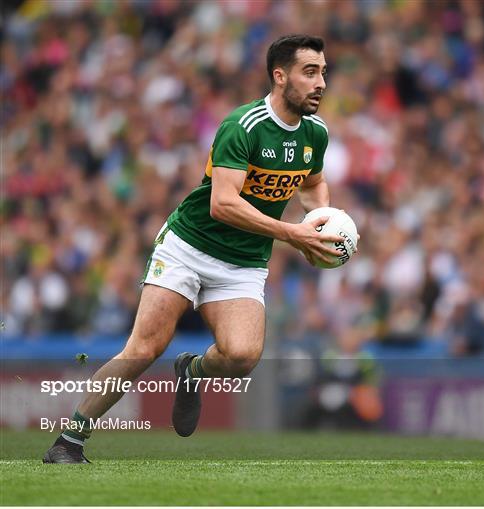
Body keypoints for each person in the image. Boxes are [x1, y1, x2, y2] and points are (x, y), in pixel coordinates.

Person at [43, 34, 346, 463]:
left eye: (323, 73)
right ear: (280, 76)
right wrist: (292, 233)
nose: (321, 83)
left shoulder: (316, 133)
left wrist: (321, 220)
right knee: (145, 348)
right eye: (310, 72)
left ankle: (191, 371)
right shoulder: (242, 126)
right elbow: (223, 204)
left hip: (243, 261)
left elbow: (313, 184)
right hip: (189, 245)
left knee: (242, 357)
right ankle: (68, 441)